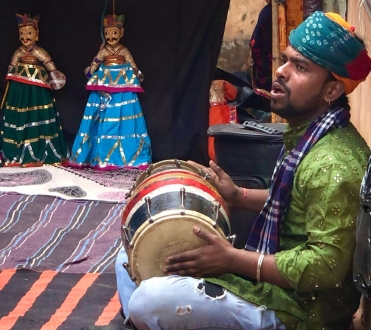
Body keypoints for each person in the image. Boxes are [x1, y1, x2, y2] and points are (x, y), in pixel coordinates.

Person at [115, 11, 371, 329]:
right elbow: (296, 201)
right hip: (271, 279)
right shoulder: (311, 134)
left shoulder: (333, 164)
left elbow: (325, 267)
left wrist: (234, 259)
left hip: (300, 310)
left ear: (331, 91)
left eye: (301, 68)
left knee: (149, 299)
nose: (282, 72)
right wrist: (238, 196)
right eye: (287, 60)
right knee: (130, 256)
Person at [68, 14, 151, 170]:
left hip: (124, 86)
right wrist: (89, 72)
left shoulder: (123, 50)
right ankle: (100, 156)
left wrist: (138, 73)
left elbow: (132, 65)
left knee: (126, 118)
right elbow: (94, 65)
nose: (111, 36)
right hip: (103, 84)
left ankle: (125, 157)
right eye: (107, 33)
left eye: (114, 32)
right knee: (101, 118)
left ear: (121, 32)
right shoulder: (104, 51)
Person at [0, 14, 69, 167]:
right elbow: (11, 68)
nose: (25, 37)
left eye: (29, 33)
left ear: (36, 34)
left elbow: (51, 68)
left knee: (39, 116)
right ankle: (16, 154)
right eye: (22, 33)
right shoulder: (18, 52)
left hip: (38, 91)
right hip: (19, 90)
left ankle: (37, 153)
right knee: (19, 117)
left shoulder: (40, 51)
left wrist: (55, 77)